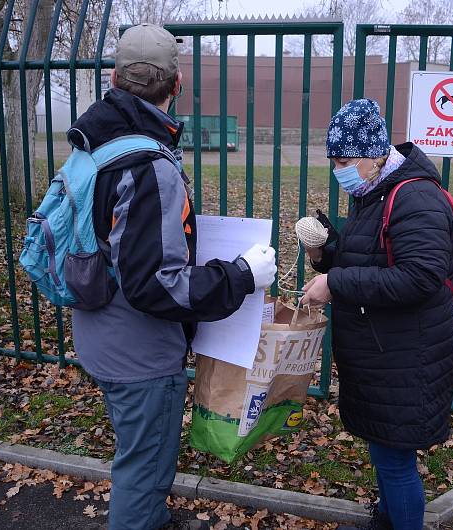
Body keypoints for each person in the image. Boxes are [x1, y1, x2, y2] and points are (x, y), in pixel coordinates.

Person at [69, 24, 277, 530]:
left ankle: (151, 517)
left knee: (137, 452)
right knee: (144, 466)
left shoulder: (91, 142)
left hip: (97, 330)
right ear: (176, 85)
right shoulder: (148, 164)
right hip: (140, 352)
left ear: (115, 78)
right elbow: (155, 287)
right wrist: (242, 276)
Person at [300, 99, 453, 530]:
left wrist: (334, 284)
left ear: (376, 152)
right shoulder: (374, 192)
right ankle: (386, 520)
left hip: (407, 356)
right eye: (334, 160)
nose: (339, 169)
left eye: (346, 160)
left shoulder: (415, 197)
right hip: (385, 352)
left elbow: (420, 276)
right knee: (386, 450)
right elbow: (372, 259)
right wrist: (325, 253)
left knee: (395, 462)